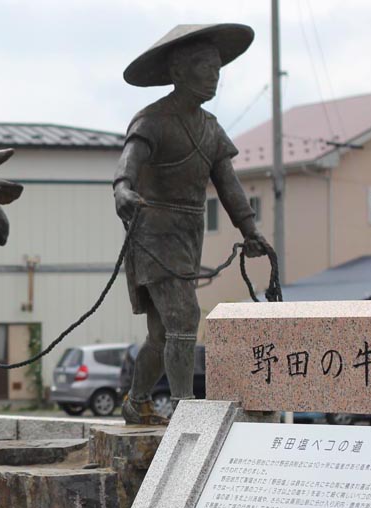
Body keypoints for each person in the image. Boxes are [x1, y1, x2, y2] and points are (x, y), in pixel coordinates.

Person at [114, 24, 273, 425]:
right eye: (206, 66)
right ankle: (186, 409)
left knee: (161, 333)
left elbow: (229, 184)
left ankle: (136, 400)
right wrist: (122, 189)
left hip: (189, 232)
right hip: (152, 230)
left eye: (218, 67)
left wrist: (249, 229)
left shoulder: (212, 128)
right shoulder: (152, 120)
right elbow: (128, 162)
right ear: (179, 72)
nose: (215, 74)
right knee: (184, 317)